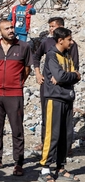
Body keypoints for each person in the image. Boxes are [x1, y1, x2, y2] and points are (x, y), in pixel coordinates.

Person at [0, 19, 32, 176]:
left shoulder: (23, 46)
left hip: (14, 94)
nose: (11, 30)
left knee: (17, 129)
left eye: (12, 27)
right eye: (7, 28)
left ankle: (18, 163)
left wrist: (17, 82)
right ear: (0, 32)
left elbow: (27, 69)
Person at [37, 27, 81, 182]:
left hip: (67, 98)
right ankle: (44, 169)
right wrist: (69, 76)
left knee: (66, 135)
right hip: (54, 99)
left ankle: (60, 167)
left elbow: (75, 75)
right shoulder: (51, 55)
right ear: (60, 40)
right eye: (69, 39)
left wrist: (69, 76)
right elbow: (61, 75)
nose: (72, 42)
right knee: (52, 135)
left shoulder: (67, 55)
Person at [33, 17, 80, 152]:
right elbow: (36, 57)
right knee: (47, 115)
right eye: (50, 26)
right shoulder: (47, 42)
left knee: (65, 118)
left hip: (64, 88)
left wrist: (61, 77)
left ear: (61, 28)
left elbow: (75, 67)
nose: (50, 29)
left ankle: (65, 146)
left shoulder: (70, 44)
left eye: (53, 26)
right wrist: (38, 73)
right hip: (48, 87)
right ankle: (45, 143)